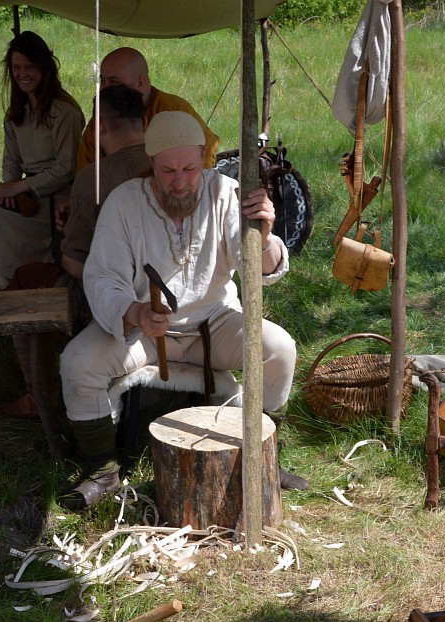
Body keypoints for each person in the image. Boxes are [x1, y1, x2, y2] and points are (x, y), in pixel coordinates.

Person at [58, 112, 306, 510]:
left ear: (204, 160)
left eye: (189, 168)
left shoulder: (225, 193)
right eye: (167, 169)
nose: (179, 180)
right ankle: (103, 471)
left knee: (279, 349)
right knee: (78, 362)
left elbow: (257, 268)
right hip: (146, 333)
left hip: (214, 325)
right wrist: (134, 311)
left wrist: (263, 236)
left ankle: (257, 454)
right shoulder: (125, 203)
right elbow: (103, 276)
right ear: (151, 163)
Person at [2, 84, 153, 419]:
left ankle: (37, 396)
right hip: (168, 294)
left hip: (121, 301)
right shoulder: (171, 165)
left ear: (99, 126)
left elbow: (74, 263)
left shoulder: (96, 177)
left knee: (25, 279)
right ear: (143, 121)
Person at [0, 31, 83, 288]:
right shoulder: (16, 112)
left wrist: (21, 187)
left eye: (29, 67)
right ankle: (3, 282)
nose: (22, 74)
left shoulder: (64, 111)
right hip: (30, 196)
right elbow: (11, 160)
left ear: (44, 69)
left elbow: (66, 168)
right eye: (16, 67)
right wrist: (10, 192)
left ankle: (12, 282)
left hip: (59, 197)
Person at [76, 47, 219, 171]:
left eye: (114, 82)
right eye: (102, 81)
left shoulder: (174, 110)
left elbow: (207, 154)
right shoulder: (103, 118)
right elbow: (86, 168)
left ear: (141, 82)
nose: (104, 89)